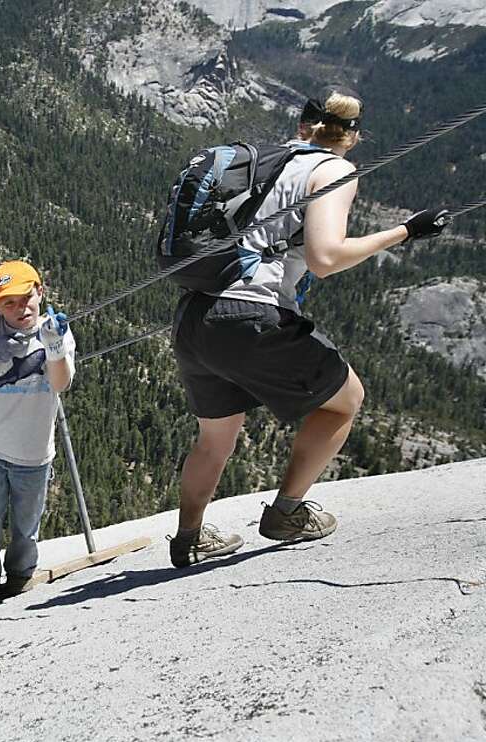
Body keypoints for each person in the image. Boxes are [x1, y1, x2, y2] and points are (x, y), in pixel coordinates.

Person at [169, 87, 449, 568]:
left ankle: (190, 536)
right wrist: (406, 231)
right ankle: (287, 513)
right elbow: (324, 258)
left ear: (302, 124)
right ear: (353, 136)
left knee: (215, 439)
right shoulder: (334, 169)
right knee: (347, 401)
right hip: (249, 314)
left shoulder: (271, 163)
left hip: (197, 314)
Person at [0, 261, 75, 606]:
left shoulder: (55, 328)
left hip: (34, 452)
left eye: (26, 297)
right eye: (9, 302)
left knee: (26, 525)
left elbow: (60, 384)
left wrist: (54, 347)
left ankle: (20, 575)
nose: (21, 308)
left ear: (40, 292)